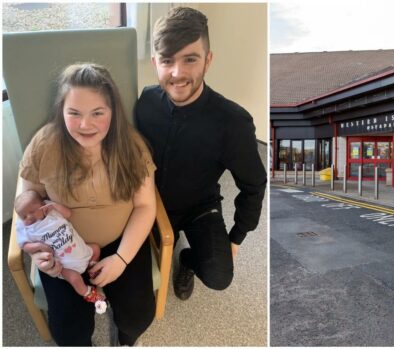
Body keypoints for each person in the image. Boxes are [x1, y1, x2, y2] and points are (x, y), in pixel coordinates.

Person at [135, 7, 266, 301]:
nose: (177, 73)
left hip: (199, 207)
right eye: (167, 60)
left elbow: (254, 184)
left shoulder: (233, 122)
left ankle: (188, 260)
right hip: (150, 203)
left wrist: (237, 236)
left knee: (220, 276)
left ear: (208, 60)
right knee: (137, 274)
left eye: (190, 59)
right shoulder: (145, 101)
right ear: (156, 62)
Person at [20, 63, 156, 346]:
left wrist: (120, 259)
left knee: (139, 315)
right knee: (69, 331)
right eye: (74, 113)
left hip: (120, 240)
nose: (85, 124)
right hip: (62, 247)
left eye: (97, 113)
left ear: (113, 112)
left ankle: (126, 340)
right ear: (62, 111)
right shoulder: (44, 146)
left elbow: (145, 206)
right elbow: (27, 204)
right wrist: (35, 249)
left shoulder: (131, 146)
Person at [15, 190, 107, 314]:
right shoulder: (27, 229)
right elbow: (24, 246)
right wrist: (37, 245)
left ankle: (91, 267)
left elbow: (68, 214)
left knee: (95, 249)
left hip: (81, 250)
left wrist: (54, 206)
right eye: (24, 216)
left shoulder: (52, 211)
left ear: (43, 205)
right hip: (65, 264)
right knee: (75, 280)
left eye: (32, 212)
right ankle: (89, 294)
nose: (29, 217)